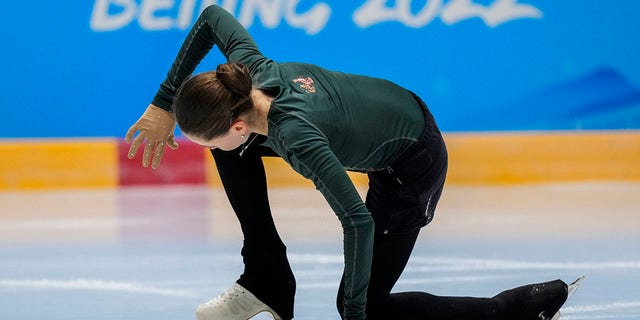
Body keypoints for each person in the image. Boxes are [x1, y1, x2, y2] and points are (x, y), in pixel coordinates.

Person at [126, 5, 578, 320]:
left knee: (362, 305)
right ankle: (267, 277)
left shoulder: (298, 139)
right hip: (391, 112)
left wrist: (356, 317)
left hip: (413, 165)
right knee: (232, 154)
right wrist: (164, 104)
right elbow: (212, 17)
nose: (209, 149)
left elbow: (357, 223)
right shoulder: (248, 73)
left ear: (240, 124)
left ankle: (511, 309)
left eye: (206, 140)